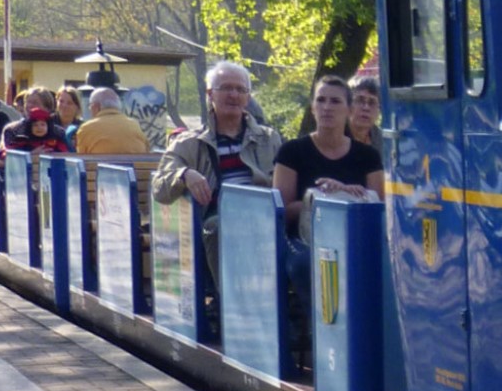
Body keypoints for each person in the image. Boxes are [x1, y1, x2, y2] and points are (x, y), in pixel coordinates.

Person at [151, 61, 280, 291]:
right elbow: (159, 187)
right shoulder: (189, 143)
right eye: (226, 88)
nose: (233, 95)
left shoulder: (269, 139)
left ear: (248, 97)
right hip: (218, 219)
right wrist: (184, 174)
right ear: (210, 94)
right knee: (219, 228)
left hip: (262, 216)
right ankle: (231, 304)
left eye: (240, 90)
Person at [273, 75, 384, 330]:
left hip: (354, 239)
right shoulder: (292, 151)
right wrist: (322, 197)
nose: (326, 107)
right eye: (320, 100)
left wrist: (347, 193)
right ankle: (324, 336)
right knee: (308, 265)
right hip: (304, 239)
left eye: (335, 101)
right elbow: (282, 211)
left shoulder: (368, 156)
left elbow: (378, 208)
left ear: (348, 109)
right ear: (312, 107)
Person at [75, 88, 149, 154]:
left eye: (90, 106)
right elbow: (146, 149)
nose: (89, 109)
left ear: (96, 107)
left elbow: (81, 160)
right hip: (138, 169)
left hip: (100, 169)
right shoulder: (134, 125)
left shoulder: (86, 129)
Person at [0, 89, 69, 155]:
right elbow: (7, 155)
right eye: (28, 102)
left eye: (35, 103)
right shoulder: (13, 130)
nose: (30, 106)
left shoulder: (58, 133)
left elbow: (67, 155)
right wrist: (31, 155)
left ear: (47, 108)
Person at [347, 75, 383, 151]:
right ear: (348, 105)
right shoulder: (335, 136)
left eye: (372, 102)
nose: (366, 107)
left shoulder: (383, 140)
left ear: (379, 110)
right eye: (360, 100)